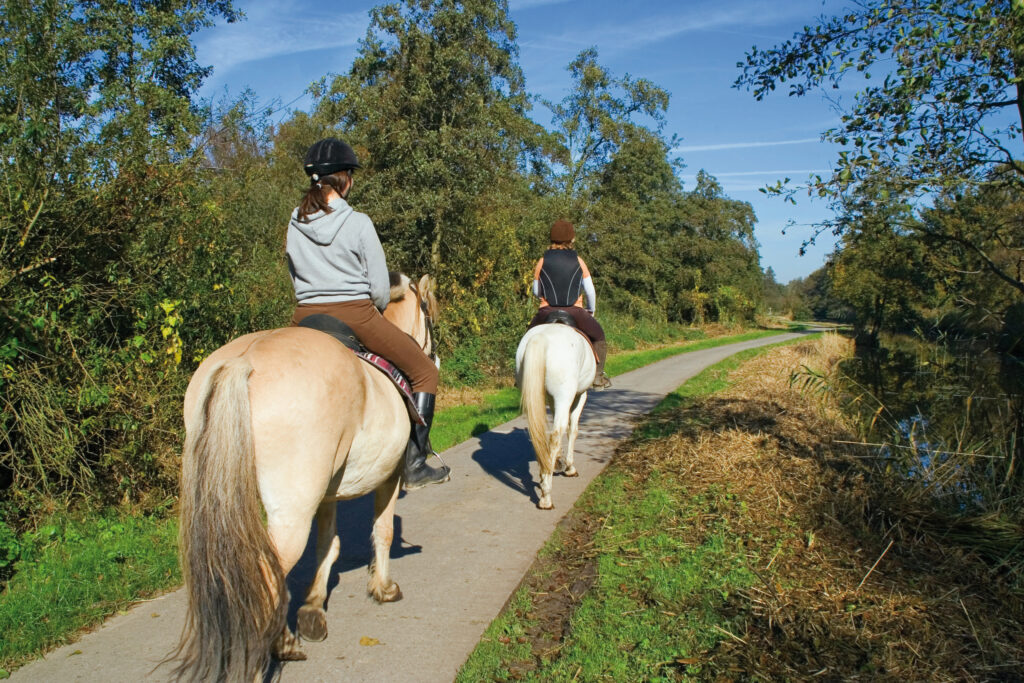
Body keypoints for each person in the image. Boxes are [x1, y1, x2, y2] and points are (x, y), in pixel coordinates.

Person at [285, 137, 449, 489]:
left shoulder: (294, 223)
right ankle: (415, 464)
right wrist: (369, 313)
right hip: (355, 314)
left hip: (304, 318)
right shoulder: (358, 222)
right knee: (424, 372)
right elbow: (378, 288)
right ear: (343, 179)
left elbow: (293, 274)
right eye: (351, 175)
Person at [528, 219, 612, 389]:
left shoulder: (542, 261)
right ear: (571, 239)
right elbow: (590, 291)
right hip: (574, 311)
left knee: (528, 337)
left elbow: (536, 291)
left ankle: (522, 374)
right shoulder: (579, 261)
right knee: (599, 336)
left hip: (546, 312)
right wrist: (591, 310)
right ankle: (597, 376)